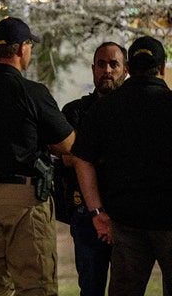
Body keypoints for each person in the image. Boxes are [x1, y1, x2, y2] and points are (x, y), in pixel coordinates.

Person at [0, 17, 75, 296]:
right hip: (23, 200)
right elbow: (67, 144)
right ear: (21, 48)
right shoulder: (31, 92)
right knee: (36, 283)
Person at [71, 35, 172, 295]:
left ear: (128, 68)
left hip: (125, 224)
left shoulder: (104, 109)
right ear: (161, 67)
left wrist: (96, 211)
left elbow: (82, 159)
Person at [56, 42, 128, 296]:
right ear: (93, 69)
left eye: (114, 64)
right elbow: (68, 157)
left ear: (126, 69)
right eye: (101, 64)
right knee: (90, 287)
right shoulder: (75, 112)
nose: (106, 70)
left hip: (128, 216)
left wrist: (85, 157)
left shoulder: (133, 110)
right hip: (86, 215)